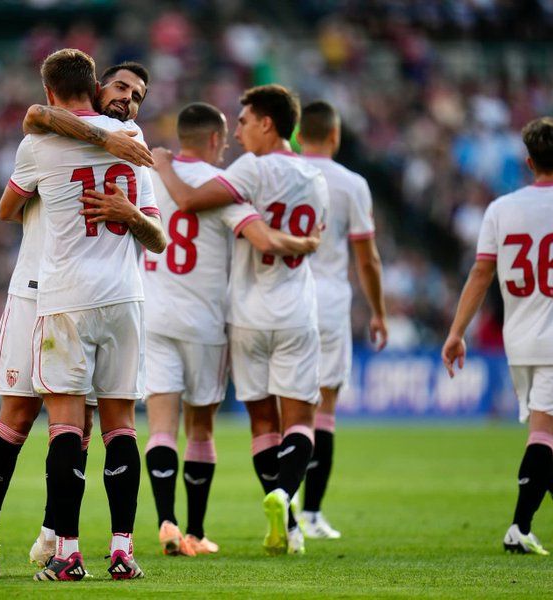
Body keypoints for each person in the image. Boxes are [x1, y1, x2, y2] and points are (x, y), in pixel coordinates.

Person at [0, 62, 154, 580]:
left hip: (74, 294)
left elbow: (10, 204)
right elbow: (33, 127)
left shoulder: (123, 138)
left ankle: (56, 533)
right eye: (119, 87)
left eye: (136, 93)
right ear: (94, 89)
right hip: (34, 290)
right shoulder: (57, 133)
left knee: (80, 419)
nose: (127, 99)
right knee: (19, 415)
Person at [152, 84, 329, 556]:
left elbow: (189, 201)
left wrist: (163, 163)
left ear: (267, 123)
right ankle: (286, 505)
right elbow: (290, 237)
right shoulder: (317, 180)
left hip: (246, 314)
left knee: (261, 426)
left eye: (246, 121)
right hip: (294, 310)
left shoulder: (247, 171)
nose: (240, 132)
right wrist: (307, 245)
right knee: (301, 424)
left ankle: (273, 514)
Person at [442, 116, 553, 555]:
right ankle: (518, 527)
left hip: (519, 343)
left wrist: (457, 332)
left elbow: (481, 273)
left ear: (528, 161)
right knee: (543, 433)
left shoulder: (501, 209)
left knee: (552, 439)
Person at [297, 101, 388, 539]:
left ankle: (280, 498)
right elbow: (367, 258)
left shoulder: (277, 172)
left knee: (284, 410)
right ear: (334, 136)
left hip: (283, 299)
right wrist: (379, 312)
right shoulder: (352, 184)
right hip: (330, 302)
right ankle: (311, 514)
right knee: (324, 410)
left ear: (298, 135)